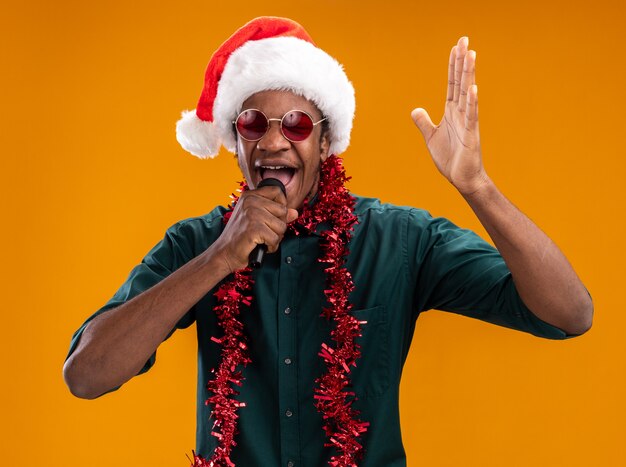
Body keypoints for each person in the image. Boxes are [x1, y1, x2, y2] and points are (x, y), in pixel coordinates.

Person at [63, 16, 593, 467]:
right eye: (253, 123)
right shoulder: (197, 244)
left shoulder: (399, 238)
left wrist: (477, 186)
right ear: (235, 140)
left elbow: (569, 313)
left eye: (294, 124)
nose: (273, 140)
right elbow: (86, 375)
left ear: (324, 140)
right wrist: (220, 257)